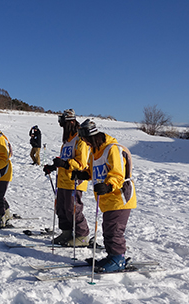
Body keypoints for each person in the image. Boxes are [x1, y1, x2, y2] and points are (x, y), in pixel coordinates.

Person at [72, 119, 137, 273]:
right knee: (108, 228)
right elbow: (92, 171)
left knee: (114, 230)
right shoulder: (94, 152)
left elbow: (117, 174)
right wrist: (82, 174)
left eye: (86, 140)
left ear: (93, 137)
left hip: (119, 197)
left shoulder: (112, 149)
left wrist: (108, 185)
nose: (85, 143)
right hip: (107, 198)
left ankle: (118, 259)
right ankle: (111, 256)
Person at [43, 109, 90, 246]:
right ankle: (66, 232)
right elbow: (65, 159)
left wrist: (64, 164)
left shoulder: (80, 140)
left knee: (72, 209)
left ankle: (82, 235)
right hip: (62, 181)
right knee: (61, 208)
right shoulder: (67, 141)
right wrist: (53, 166)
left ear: (72, 122)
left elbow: (81, 163)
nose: (63, 128)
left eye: (64, 124)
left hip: (74, 181)